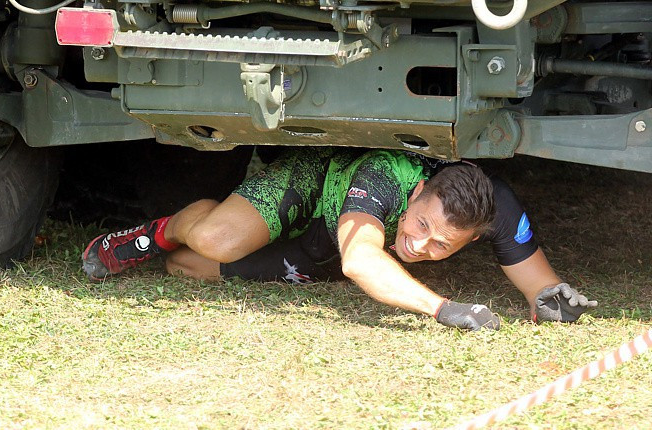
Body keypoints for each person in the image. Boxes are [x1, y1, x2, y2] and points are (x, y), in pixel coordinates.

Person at [82, 147, 597, 330]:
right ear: (418, 193)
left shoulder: (496, 208)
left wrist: (551, 301)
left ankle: (171, 248)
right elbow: (360, 260)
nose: (420, 246)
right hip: (315, 188)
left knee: (187, 267)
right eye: (420, 225)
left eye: (443, 245)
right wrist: (443, 309)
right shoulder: (385, 176)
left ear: (473, 239)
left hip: (328, 249)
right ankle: (155, 233)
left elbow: (540, 287)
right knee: (214, 239)